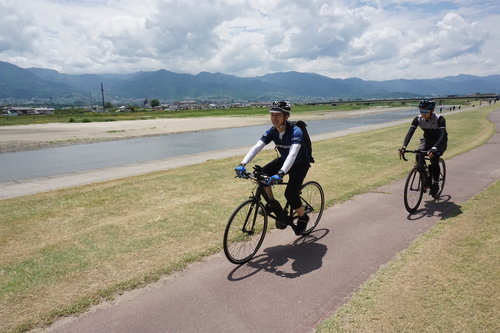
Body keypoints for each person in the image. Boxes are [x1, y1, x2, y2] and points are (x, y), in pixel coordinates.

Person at [235, 101, 312, 235]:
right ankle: (273, 205)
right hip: (284, 160)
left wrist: (281, 173)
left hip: (299, 164)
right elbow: (257, 147)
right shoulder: (272, 131)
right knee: (262, 176)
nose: (274, 118)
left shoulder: (296, 131)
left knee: (290, 194)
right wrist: (243, 164)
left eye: (278, 115)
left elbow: (293, 154)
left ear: (286, 116)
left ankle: (303, 217)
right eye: (272, 115)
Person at [399, 98, 448, 198]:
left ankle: (435, 182)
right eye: (421, 111)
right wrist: (404, 146)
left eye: (425, 111)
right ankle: (426, 177)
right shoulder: (417, 119)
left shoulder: (440, 119)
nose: (423, 114)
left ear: (432, 110)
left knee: (433, 158)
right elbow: (410, 132)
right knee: (418, 155)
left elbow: (442, 134)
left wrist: (434, 148)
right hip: (427, 140)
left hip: (440, 141)